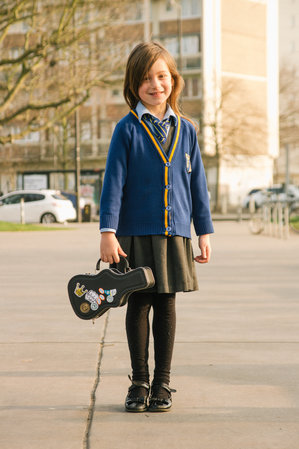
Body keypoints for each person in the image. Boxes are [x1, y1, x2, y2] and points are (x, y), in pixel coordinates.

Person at [99, 41, 214, 413]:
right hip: (135, 233)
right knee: (139, 304)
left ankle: (163, 383)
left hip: (176, 231)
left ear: (173, 80)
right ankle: (139, 382)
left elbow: (198, 185)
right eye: (146, 78)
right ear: (134, 85)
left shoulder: (188, 130)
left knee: (166, 305)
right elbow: (113, 183)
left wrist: (204, 230)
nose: (155, 84)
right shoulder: (126, 130)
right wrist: (108, 232)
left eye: (161, 76)